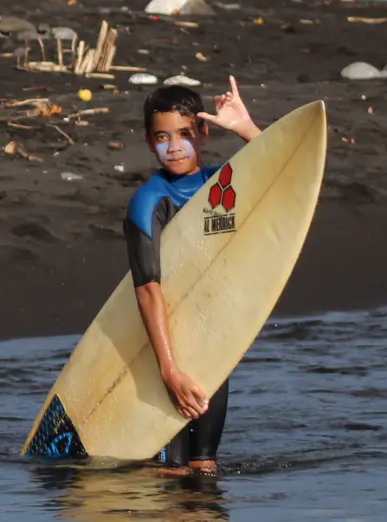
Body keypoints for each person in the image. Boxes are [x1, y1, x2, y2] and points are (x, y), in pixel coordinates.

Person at [127, 77, 263, 475]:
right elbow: (148, 289)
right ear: (149, 141)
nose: (174, 146)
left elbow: (286, 169)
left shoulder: (221, 184)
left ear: (203, 132)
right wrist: (169, 372)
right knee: (172, 475)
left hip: (212, 351)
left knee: (204, 473)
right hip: (165, 354)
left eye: (185, 134)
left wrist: (245, 128)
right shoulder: (149, 202)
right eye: (162, 137)